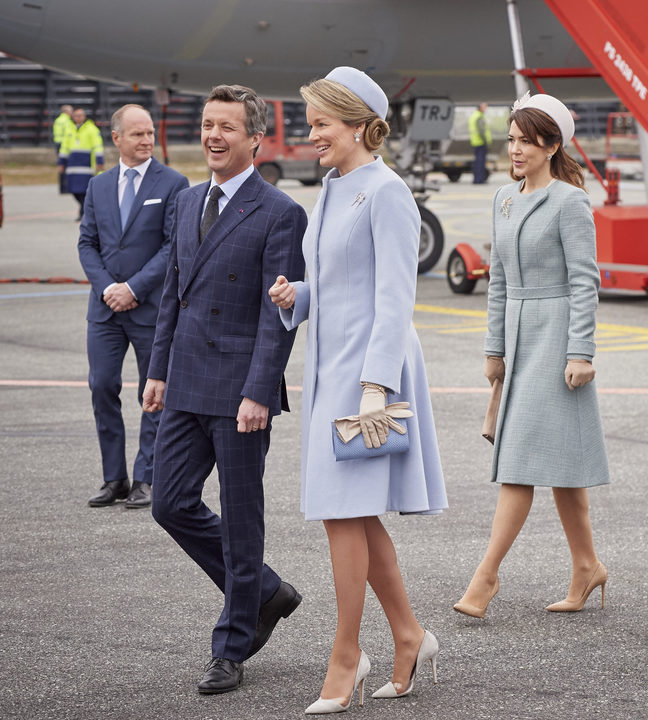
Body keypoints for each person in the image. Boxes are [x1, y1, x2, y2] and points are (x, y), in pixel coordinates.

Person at [268, 66, 447, 714]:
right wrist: (301, 296)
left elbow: (394, 300)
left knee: (344, 512)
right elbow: (343, 282)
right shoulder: (334, 188)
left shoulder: (387, 192)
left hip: (370, 374)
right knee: (351, 513)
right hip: (328, 371)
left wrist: (376, 388)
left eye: (321, 122)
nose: (311, 133)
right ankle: (408, 634)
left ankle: (348, 654)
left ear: (357, 124)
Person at [142, 84, 307, 695]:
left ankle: (232, 644)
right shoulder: (185, 203)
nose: (213, 136)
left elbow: (277, 316)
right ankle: (265, 591)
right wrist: (156, 372)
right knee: (169, 502)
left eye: (227, 128)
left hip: (242, 390)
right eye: (208, 125)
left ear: (255, 138)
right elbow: (172, 300)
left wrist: (260, 391)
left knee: (241, 522)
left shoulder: (280, 212)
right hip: (185, 381)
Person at [452, 92, 609, 621]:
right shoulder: (503, 198)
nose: (515, 149)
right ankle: (587, 565)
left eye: (525, 141)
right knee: (563, 467)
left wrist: (581, 350)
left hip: (557, 335)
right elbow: (497, 279)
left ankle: (485, 575)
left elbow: (586, 280)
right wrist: (493, 349)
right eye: (512, 140)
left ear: (552, 144)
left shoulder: (570, 201)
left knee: (518, 462)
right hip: (519, 340)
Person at [77, 104, 189, 510]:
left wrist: (133, 288)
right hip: (105, 309)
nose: (146, 141)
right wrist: (109, 287)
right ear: (117, 138)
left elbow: (172, 246)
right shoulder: (98, 186)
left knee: (152, 393)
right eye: (138, 134)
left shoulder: (174, 183)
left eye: (150, 133)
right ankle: (114, 478)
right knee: (102, 386)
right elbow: (86, 243)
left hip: (149, 307)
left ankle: (147, 477)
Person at [59, 106, 104, 220]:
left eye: (80, 115)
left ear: (84, 117)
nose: (78, 117)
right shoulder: (69, 129)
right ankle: (84, 210)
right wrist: (61, 162)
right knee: (74, 191)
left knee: (84, 191)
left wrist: (99, 161)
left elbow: (97, 146)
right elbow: (64, 147)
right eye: (76, 115)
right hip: (72, 166)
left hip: (86, 166)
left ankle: (83, 213)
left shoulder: (91, 129)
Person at [469, 102, 492, 184]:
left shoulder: (474, 116)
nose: (485, 109)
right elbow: (482, 131)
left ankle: (476, 179)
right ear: (480, 108)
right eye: (484, 107)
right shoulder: (479, 117)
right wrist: (486, 141)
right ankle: (479, 180)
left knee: (477, 162)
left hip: (475, 142)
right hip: (481, 142)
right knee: (480, 162)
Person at [53, 104, 73, 194]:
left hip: (58, 144)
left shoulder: (58, 120)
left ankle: (62, 188)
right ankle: (66, 187)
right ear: (66, 112)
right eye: (71, 111)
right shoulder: (67, 121)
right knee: (66, 167)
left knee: (61, 166)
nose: (72, 113)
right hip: (65, 145)